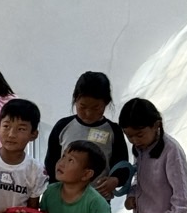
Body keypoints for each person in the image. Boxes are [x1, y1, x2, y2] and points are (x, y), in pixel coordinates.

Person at [44, 71, 131, 200]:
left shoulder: (113, 131)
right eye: (82, 107)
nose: (88, 113)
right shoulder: (63, 126)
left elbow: (122, 166)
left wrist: (115, 180)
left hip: (98, 200)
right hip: (64, 199)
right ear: (75, 100)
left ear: (106, 103)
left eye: (96, 108)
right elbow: (51, 163)